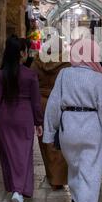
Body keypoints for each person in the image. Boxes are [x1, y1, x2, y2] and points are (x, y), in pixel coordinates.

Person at [43, 38, 102, 202]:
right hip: (91, 128)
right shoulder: (98, 78)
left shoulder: (64, 74)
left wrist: (49, 132)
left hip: (69, 127)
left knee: (75, 167)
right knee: (90, 172)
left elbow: (54, 104)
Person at [0, 36, 43, 202]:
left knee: (9, 156)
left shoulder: (0, 75)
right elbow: (36, 103)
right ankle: (18, 191)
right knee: (23, 155)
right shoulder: (30, 75)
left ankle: (15, 189)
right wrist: (39, 122)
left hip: (5, 119)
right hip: (24, 118)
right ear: (22, 53)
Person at [31, 36, 70, 190]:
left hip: (41, 103)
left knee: (44, 141)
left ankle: (51, 174)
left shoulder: (36, 63)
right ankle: (58, 178)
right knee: (60, 140)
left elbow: (31, 82)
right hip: (59, 104)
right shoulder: (66, 64)